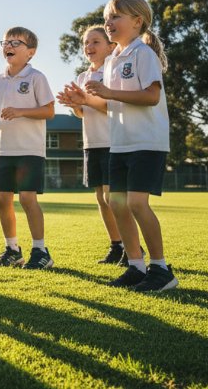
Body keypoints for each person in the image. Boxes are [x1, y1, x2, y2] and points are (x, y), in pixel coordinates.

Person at [64, 0, 178, 292]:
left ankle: (161, 269)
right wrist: (84, 100)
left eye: (115, 17)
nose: (109, 23)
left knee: (137, 204)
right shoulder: (113, 59)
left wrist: (109, 92)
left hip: (146, 142)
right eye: (107, 18)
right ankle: (136, 266)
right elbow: (108, 103)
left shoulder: (143, 54)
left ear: (137, 21)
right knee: (118, 205)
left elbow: (152, 96)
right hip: (120, 144)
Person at [0, 27, 55, 269]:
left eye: (16, 42)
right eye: (6, 42)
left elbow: (49, 111)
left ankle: (41, 252)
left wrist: (20, 111)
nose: (8, 45)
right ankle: (12, 250)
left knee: (28, 198)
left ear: (31, 52)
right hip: (4, 151)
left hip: (30, 150)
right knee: (2, 199)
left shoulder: (36, 78)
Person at [57, 26, 125, 265]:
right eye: (86, 43)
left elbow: (110, 107)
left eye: (95, 41)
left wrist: (85, 100)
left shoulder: (114, 72)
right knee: (100, 198)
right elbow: (82, 113)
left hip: (113, 142)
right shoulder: (83, 77)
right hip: (91, 143)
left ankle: (131, 247)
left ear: (111, 45)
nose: (89, 47)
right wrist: (74, 104)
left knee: (112, 198)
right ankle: (116, 246)